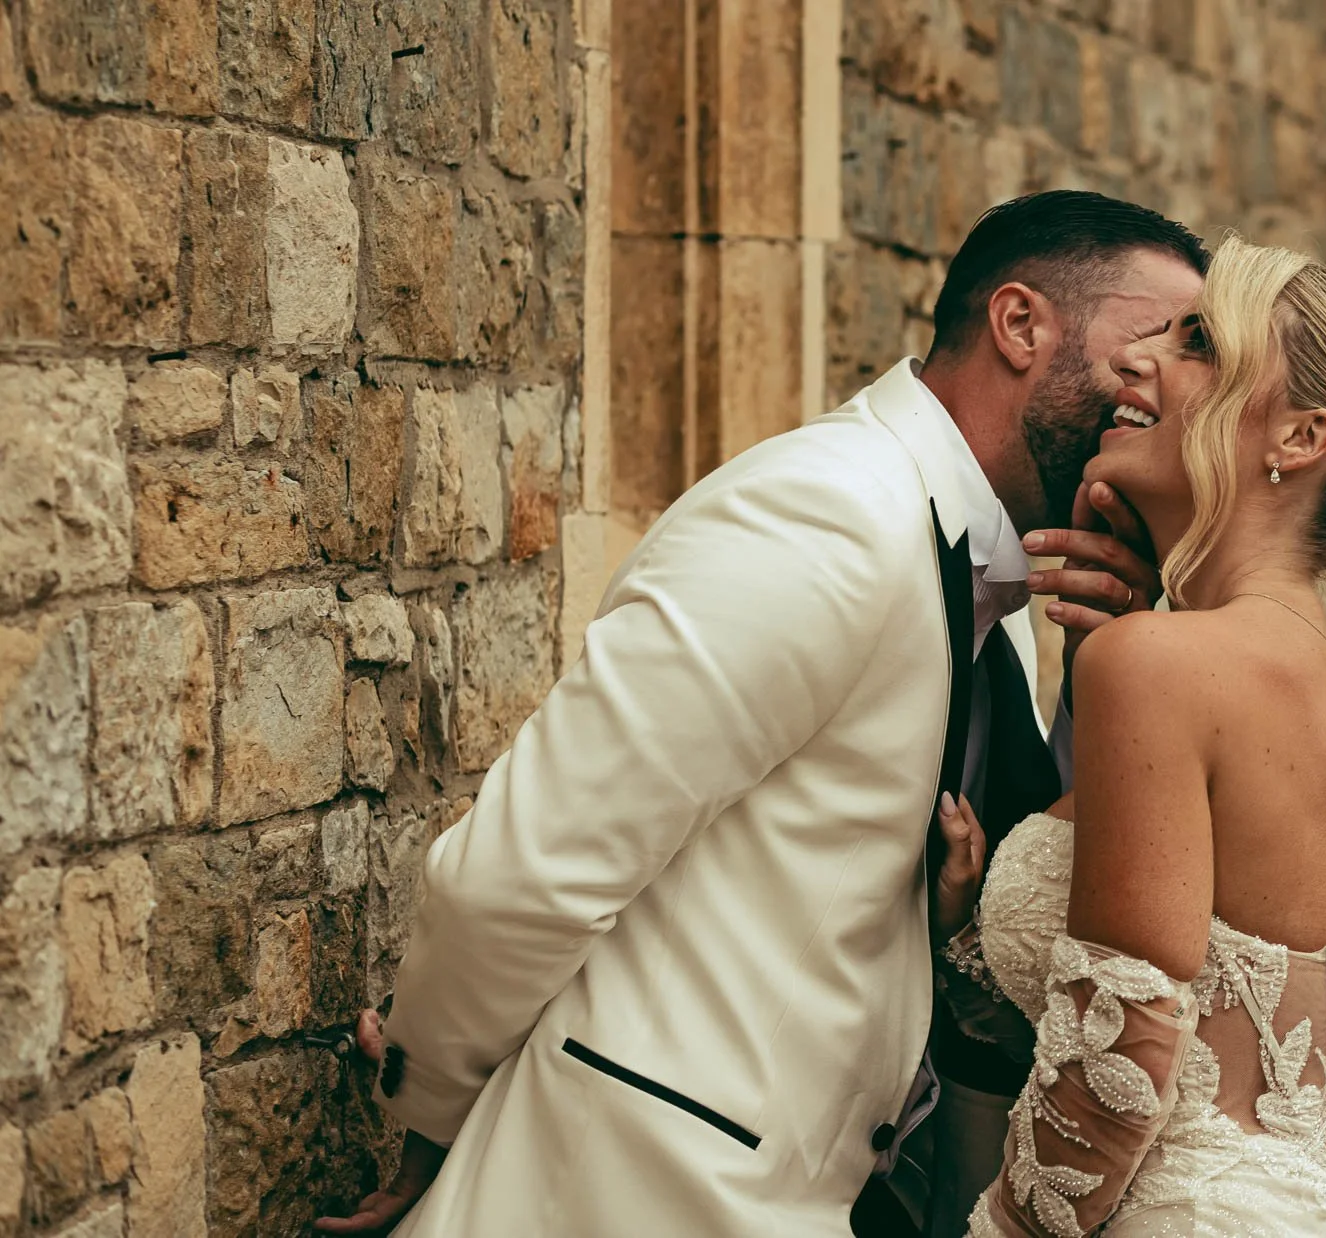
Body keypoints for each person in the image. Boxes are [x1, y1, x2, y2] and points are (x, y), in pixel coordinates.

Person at [314, 191, 1207, 1237]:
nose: (1165, 395)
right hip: (625, 1193)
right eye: (1151, 351)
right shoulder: (821, 513)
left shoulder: (1004, 594)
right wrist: (432, 1115)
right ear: (1020, 325)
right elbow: (531, 866)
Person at [929, 235, 1326, 1236]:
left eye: (1196, 344)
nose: (1135, 360)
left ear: (1302, 436)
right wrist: (967, 919)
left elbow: (1123, 1054)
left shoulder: (1162, 663)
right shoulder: (1307, 674)